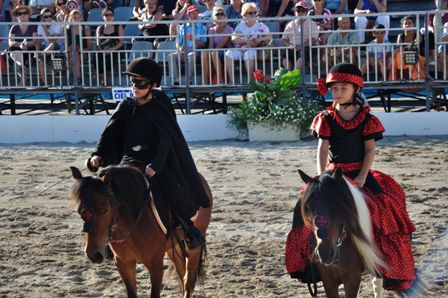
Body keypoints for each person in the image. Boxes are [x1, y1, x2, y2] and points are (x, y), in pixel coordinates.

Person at [285, 63, 417, 292]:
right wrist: (322, 176)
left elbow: (369, 151)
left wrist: (363, 177)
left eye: (342, 88)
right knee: (303, 208)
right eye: (334, 88)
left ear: (355, 89)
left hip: (359, 174)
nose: (337, 92)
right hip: (332, 174)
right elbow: (322, 149)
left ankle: (384, 263)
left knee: (386, 206)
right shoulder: (326, 117)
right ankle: (310, 262)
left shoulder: (367, 119)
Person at [87, 57, 209, 250]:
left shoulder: (160, 107)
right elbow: (109, 132)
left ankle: (188, 227)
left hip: (156, 160)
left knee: (171, 186)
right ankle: (110, 235)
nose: (134, 87)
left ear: (153, 85)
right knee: (108, 189)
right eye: (132, 82)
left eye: (140, 83)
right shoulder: (126, 105)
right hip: (129, 159)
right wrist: (98, 154)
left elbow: (167, 139)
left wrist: (156, 164)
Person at [224, 3, 271, 84]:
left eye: (254, 12)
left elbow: (269, 36)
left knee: (248, 54)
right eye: (250, 13)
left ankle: (250, 81)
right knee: (228, 54)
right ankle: (232, 81)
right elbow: (234, 39)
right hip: (240, 49)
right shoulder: (240, 25)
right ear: (244, 14)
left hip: (253, 50)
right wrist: (246, 41)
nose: (253, 14)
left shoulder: (260, 25)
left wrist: (259, 39)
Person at [168, 5, 207, 85]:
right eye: (193, 13)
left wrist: (193, 39)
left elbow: (203, 44)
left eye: (196, 13)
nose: (195, 15)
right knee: (171, 56)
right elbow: (178, 41)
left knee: (191, 55)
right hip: (184, 50)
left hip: (196, 50)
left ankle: (188, 79)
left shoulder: (203, 28)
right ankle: (176, 80)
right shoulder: (183, 27)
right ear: (188, 15)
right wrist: (179, 49)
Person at [281, 1, 319, 70]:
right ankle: (289, 75)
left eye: (303, 11)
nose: (300, 13)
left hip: (307, 47)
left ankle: (294, 75)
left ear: (307, 12)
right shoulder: (290, 24)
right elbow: (284, 39)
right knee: (285, 54)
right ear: (295, 12)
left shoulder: (312, 23)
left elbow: (314, 39)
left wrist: (301, 46)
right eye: (298, 11)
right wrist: (290, 45)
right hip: (293, 47)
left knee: (304, 52)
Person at [202, 6, 233, 84]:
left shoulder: (229, 29)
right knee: (204, 53)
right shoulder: (211, 30)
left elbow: (224, 44)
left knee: (214, 53)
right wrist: (209, 50)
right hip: (216, 50)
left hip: (227, 51)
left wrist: (212, 51)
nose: (219, 16)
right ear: (214, 17)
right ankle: (205, 81)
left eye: (221, 14)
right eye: (217, 14)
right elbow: (211, 44)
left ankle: (220, 80)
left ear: (224, 16)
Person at [8, 5, 38, 85]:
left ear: (28, 14)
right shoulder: (14, 27)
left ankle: (22, 78)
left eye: (24, 13)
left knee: (19, 61)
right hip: (17, 50)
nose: (22, 15)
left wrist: (26, 44)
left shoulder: (33, 26)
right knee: (15, 53)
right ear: (17, 16)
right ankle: (23, 72)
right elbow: (11, 42)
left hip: (29, 50)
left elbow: (34, 41)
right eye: (19, 14)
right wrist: (20, 45)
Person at [96, 7, 124, 85]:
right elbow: (98, 44)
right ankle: (104, 80)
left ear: (113, 16)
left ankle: (101, 78)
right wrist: (102, 51)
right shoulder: (100, 28)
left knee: (108, 61)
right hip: (103, 50)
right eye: (106, 15)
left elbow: (121, 42)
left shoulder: (118, 26)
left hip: (116, 49)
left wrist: (111, 49)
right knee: (96, 59)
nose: (108, 16)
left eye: (110, 15)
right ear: (103, 16)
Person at [37, 7, 65, 84]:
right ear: (42, 18)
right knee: (40, 60)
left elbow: (51, 40)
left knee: (53, 45)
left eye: (50, 16)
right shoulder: (39, 26)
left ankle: (62, 84)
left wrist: (44, 27)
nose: (49, 18)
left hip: (60, 50)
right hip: (49, 52)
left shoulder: (56, 25)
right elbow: (38, 41)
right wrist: (38, 50)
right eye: (46, 17)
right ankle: (44, 83)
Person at [66, 9, 93, 84]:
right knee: (73, 54)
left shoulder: (86, 29)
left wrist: (81, 49)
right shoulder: (68, 30)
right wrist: (70, 48)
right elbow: (66, 45)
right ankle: (78, 78)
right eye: (75, 18)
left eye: (79, 17)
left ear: (81, 18)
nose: (77, 19)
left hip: (83, 53)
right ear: (71, 19)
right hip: (70, 53)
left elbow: (89, 47)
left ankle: (77, 77)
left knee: (74, 55)